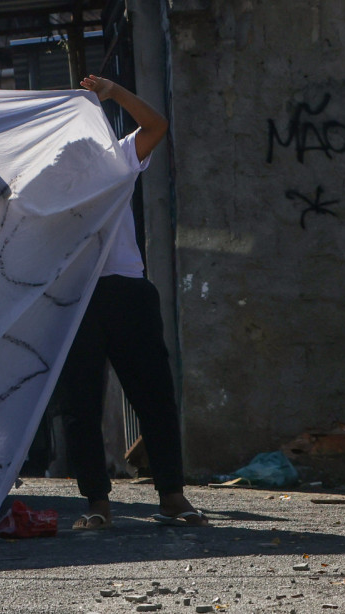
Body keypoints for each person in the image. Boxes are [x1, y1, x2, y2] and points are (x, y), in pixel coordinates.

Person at [61, 74, 209, 530]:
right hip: (76, 295)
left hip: (125, 288)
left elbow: (156, 125)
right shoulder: (46, 179)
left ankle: (172, 495)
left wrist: (115, 92)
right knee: (80, 403)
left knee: (154, 396)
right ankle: (97, 503)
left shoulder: (117, 159)